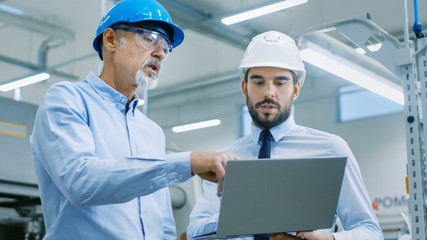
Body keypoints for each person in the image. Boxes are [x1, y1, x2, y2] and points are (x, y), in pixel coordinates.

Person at [30, 0, 237, 239]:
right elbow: (81, 182)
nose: (160, 53)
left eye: (166, 45)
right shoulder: (67, 100)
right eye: (149, 38)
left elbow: (162, 224)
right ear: (110, 40)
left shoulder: (151, 131)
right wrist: (188, 162)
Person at [186, 31, 384, 240]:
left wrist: (329, 239)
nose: (269, 93)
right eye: (258, 82)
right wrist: (241, 219)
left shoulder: (331, 149)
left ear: (296, 89)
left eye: (280, 83)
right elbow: (194, 232)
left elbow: (370, 231)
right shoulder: (224, 159)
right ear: (245, 88)